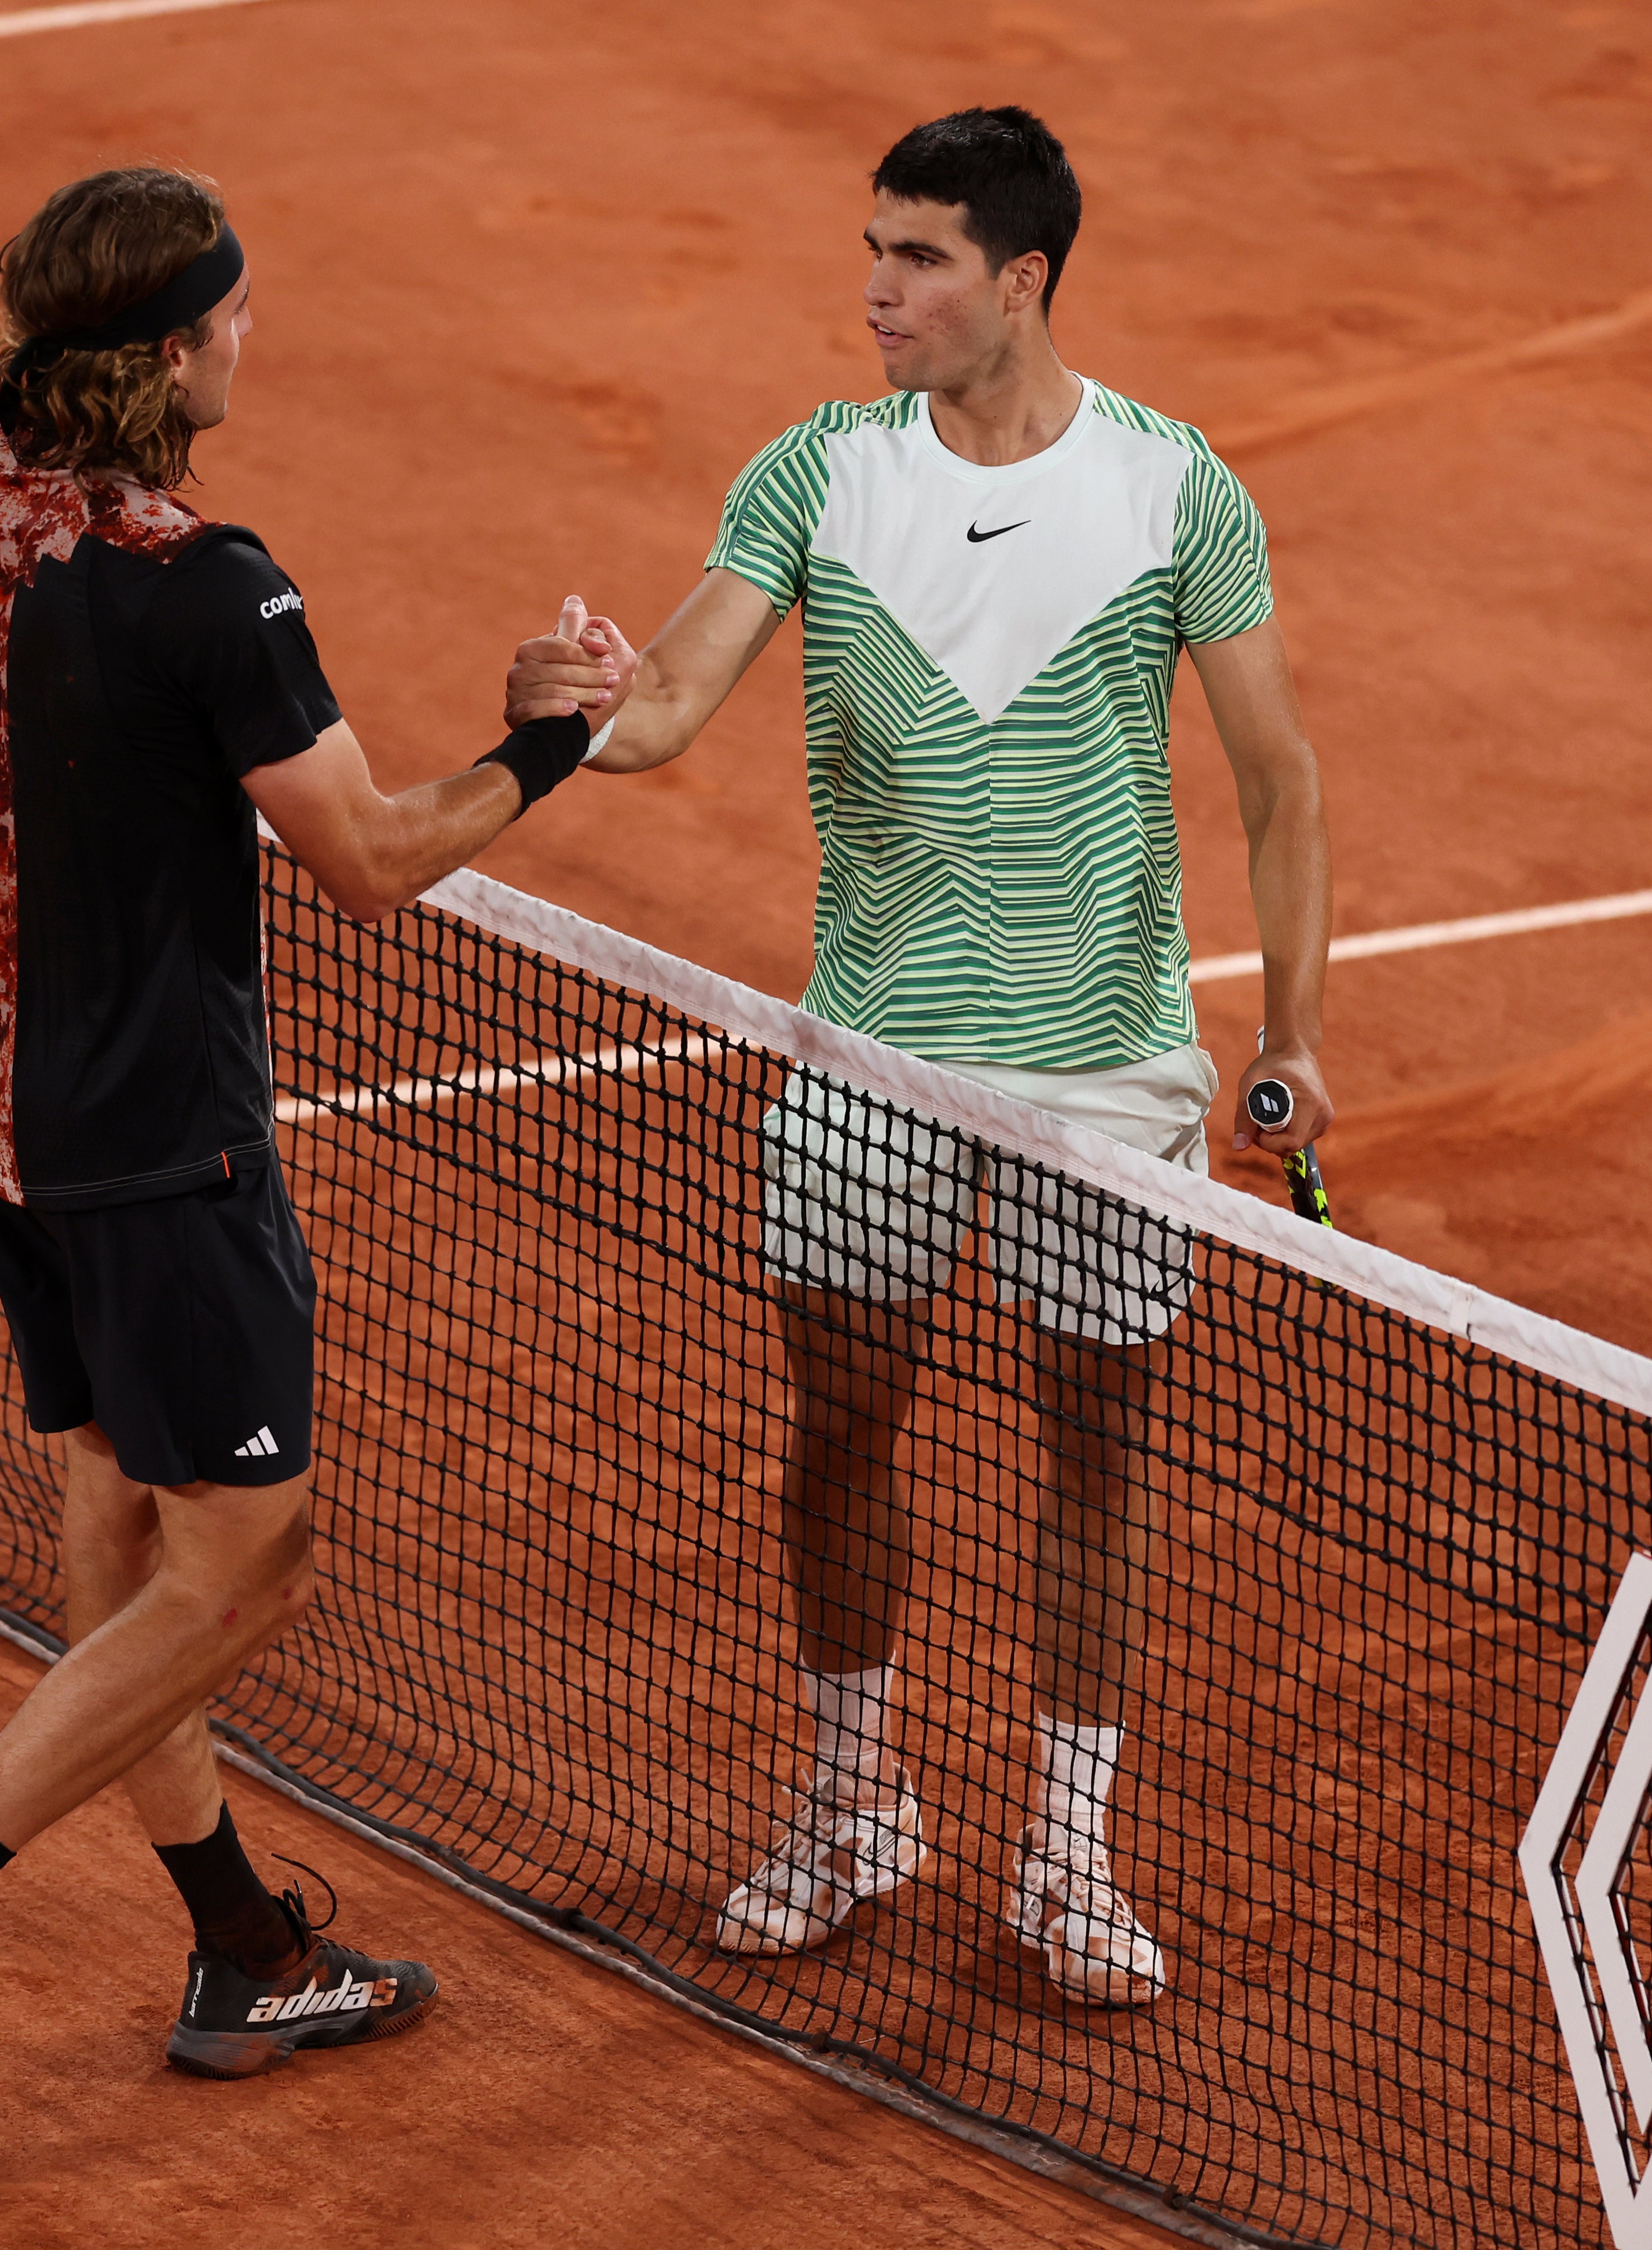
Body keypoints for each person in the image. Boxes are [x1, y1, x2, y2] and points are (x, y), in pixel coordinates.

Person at [0, 165, 599, 2165]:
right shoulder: (203, 581)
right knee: (248, 1567)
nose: (254, 338)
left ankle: (240, 1947)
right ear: (171, 353)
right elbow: (368, 862)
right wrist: (545, 743)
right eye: (235, 315)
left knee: (117, 1525)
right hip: (159, 1136)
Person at [507, 107, 1332, 2006]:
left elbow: (1281, 780)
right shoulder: (816, 472)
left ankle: (1065, 1851)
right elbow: (674, 708)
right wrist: (575, 714)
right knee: (846, 1430)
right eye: (872, 250)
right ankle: (857, 1798)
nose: (875, 291)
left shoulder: (1172, 486)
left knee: (1096, 1455)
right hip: (873, 1057)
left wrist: (1292, 1036)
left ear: (1019, 278)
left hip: (1108, 1070)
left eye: (920, 259)